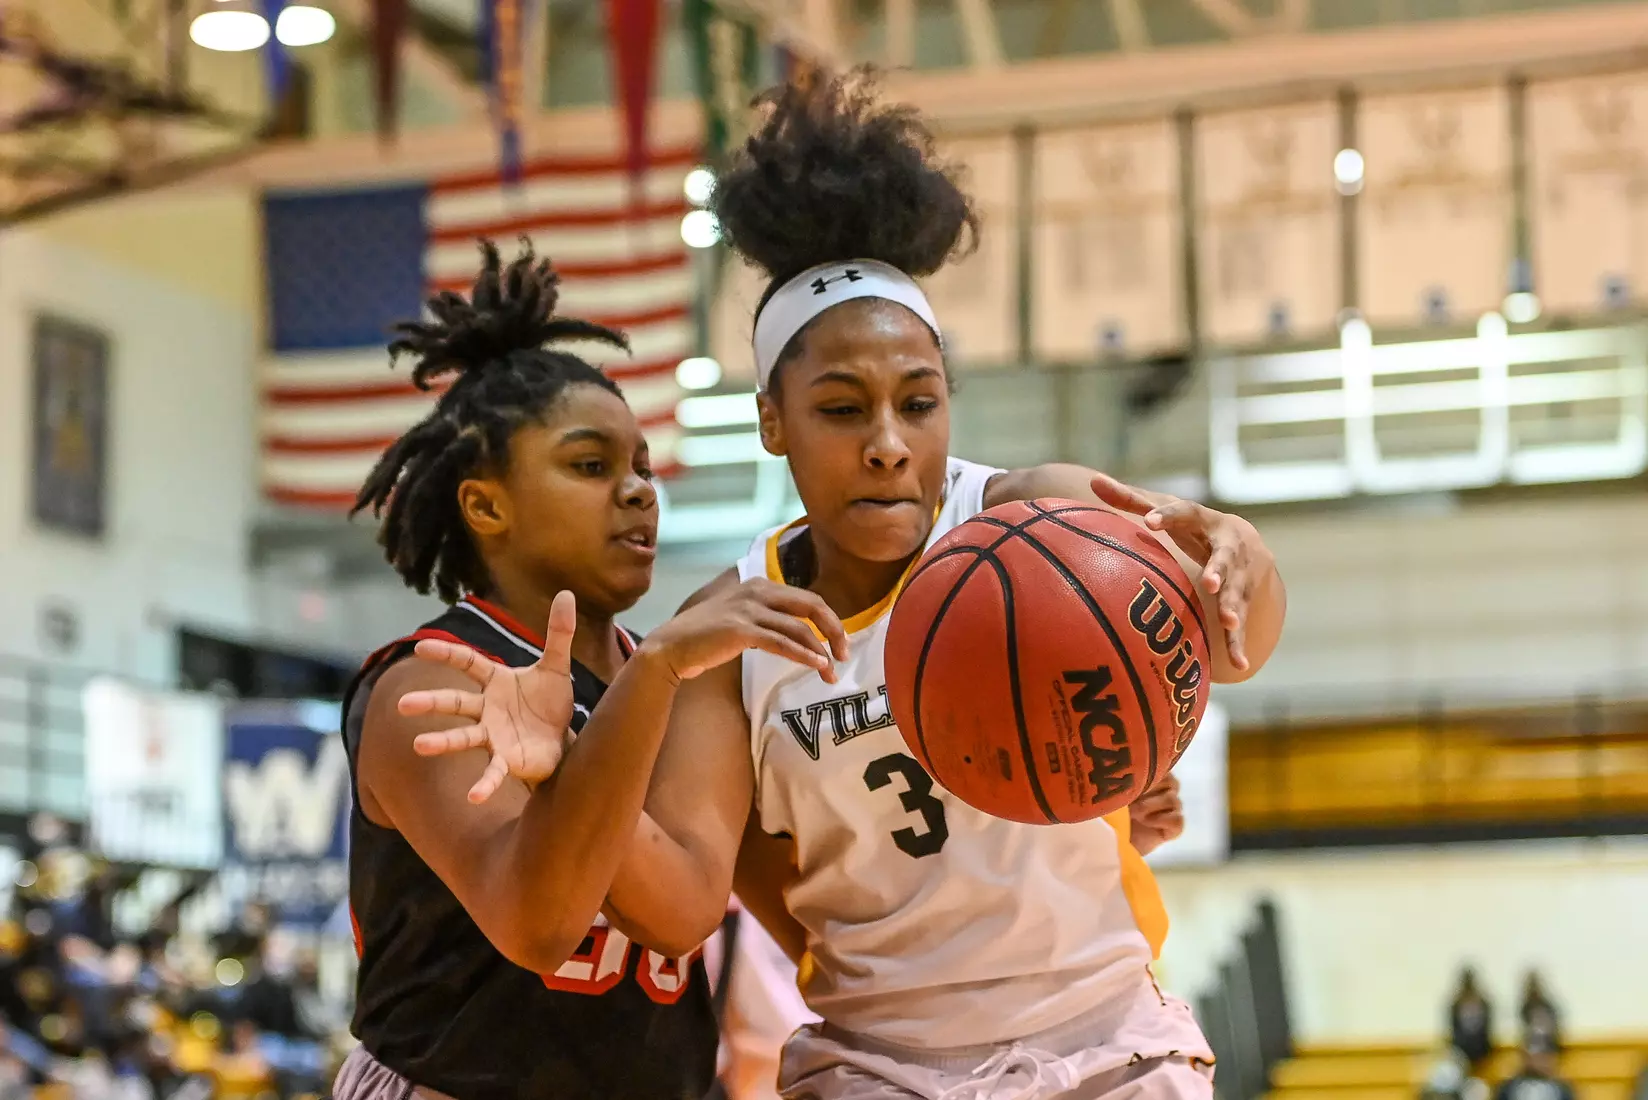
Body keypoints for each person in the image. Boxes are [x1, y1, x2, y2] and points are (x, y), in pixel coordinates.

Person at [409, 70, 1286, 1100]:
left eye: (917, 403)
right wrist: (566, 764)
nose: (885, 444)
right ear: (772, 421)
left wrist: (1243, 559)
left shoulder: (1032, 516)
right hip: (878, 1063)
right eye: (839, 408)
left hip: (1102, 1035)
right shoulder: (720, 638)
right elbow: (682, 904)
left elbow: (1236, 642)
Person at [335, 240, 849, 1100]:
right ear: (486, 504)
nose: (639, 491)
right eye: (591, 466)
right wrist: (653, 681)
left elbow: (735, 915)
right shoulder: (429, 687)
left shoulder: (680, 681)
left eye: (644, 469)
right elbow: (537, 925)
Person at [1449, 967, 1493, 1069]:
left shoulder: (1483, 1002)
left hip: (1482, 1053)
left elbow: (1487, 1029)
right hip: (1461, 1053)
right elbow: (1454, 1031)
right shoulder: (1456, 1004)